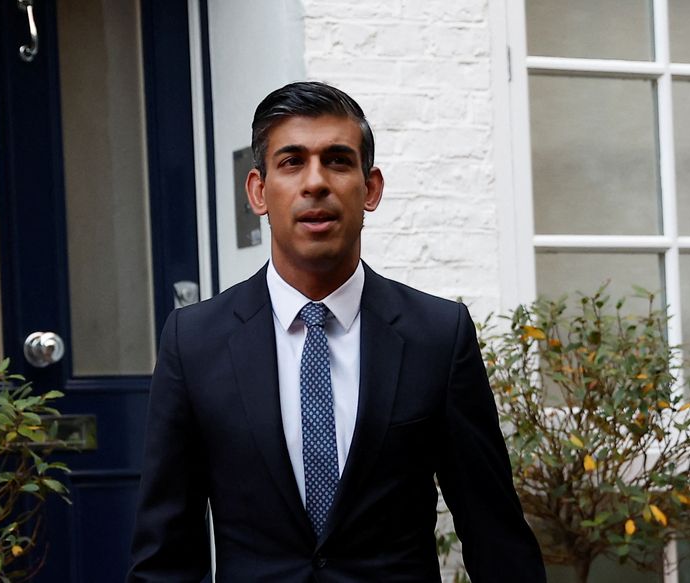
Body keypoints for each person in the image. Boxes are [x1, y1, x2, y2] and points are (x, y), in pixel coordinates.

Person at [127, 81, 546, 582]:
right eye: (292, 162)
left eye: (338, 161)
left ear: (370, 189)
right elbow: (166, 553)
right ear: (258, 191)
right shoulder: (194, 342)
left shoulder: (437, 337)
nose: (315, 182)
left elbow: (495, 535)